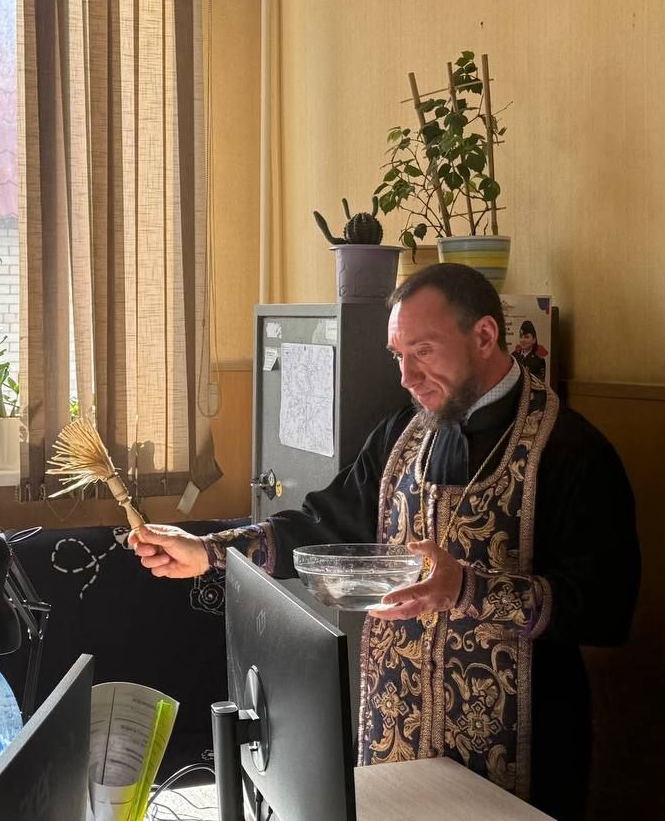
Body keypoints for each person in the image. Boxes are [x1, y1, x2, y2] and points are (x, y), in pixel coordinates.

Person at [130, 264, 639, 820]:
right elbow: (325, 524)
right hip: (394, 733)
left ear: (485, 335)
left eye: (423, 351)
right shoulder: (400, 434)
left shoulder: (572, 451)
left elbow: (607, 609)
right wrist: (208, 550)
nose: (406, 377)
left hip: (522, 751)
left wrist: (467, 590)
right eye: (398, 355)